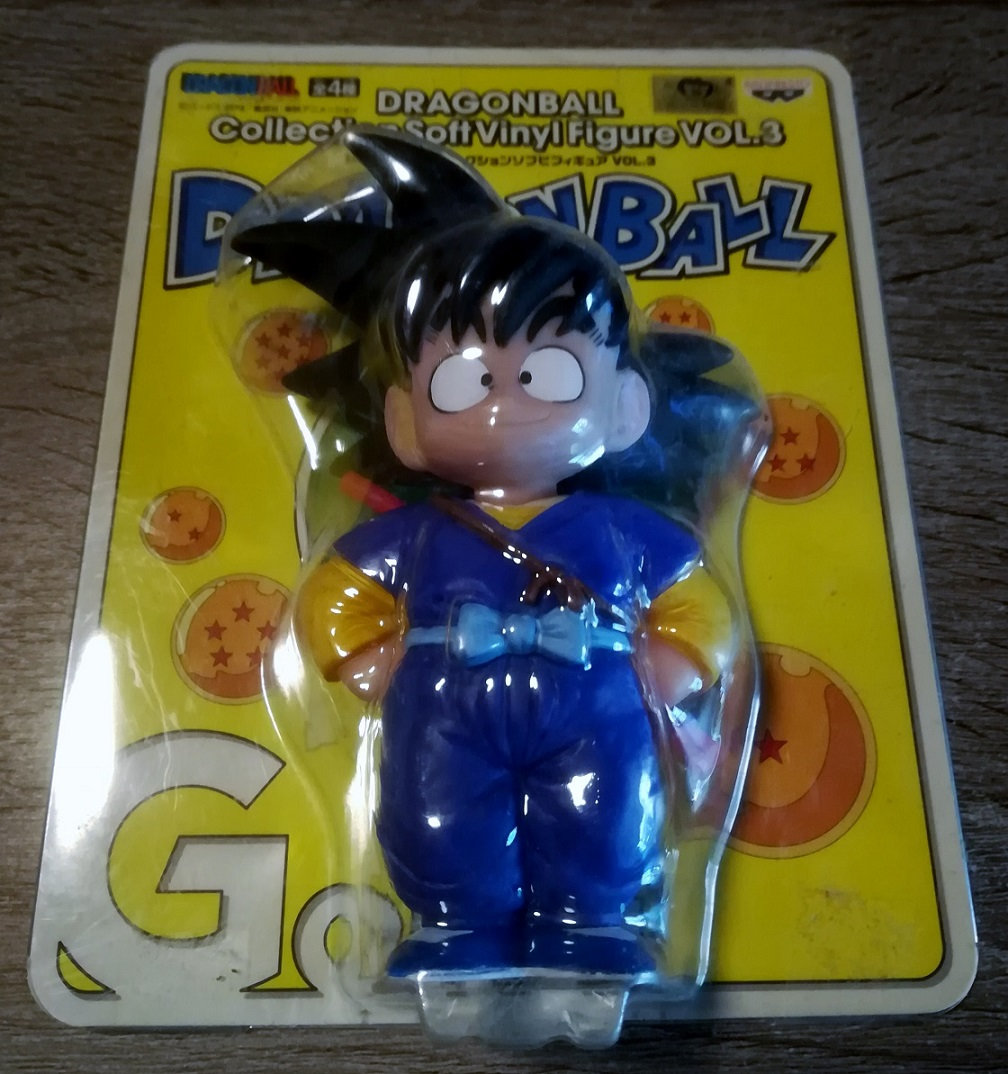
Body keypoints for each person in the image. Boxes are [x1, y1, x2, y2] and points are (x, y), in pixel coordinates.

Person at [231, 127, 754, 979]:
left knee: (604, 819)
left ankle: (590, 925)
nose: (505, 401)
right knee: (436, 816)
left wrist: (667, 667)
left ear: (625, 407)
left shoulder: (622, 531)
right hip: (444, 710)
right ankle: (457, 927)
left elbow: (696, 597)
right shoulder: (421, 531)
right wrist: (368, 660)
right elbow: (336, 589)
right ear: (404, 421)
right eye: (462, 382)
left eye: (549, 376)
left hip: (596, 711)